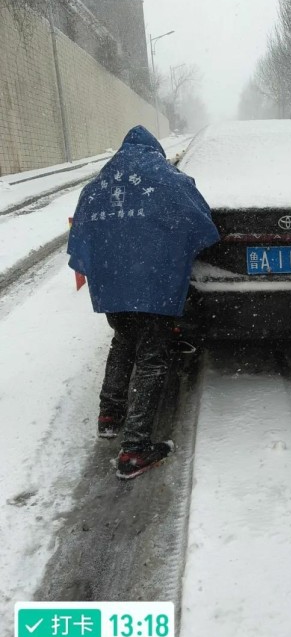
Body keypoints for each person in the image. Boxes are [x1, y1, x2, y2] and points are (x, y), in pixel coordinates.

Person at [68, 125, 219, 479]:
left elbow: (80, 239)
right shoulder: (170, 180)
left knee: (122, 341)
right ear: (154, 151)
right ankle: (135, 450)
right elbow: (202, 221)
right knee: (152, 358)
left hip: (113, 287)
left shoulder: (96, 187)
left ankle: (110, 414)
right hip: (153, 283)